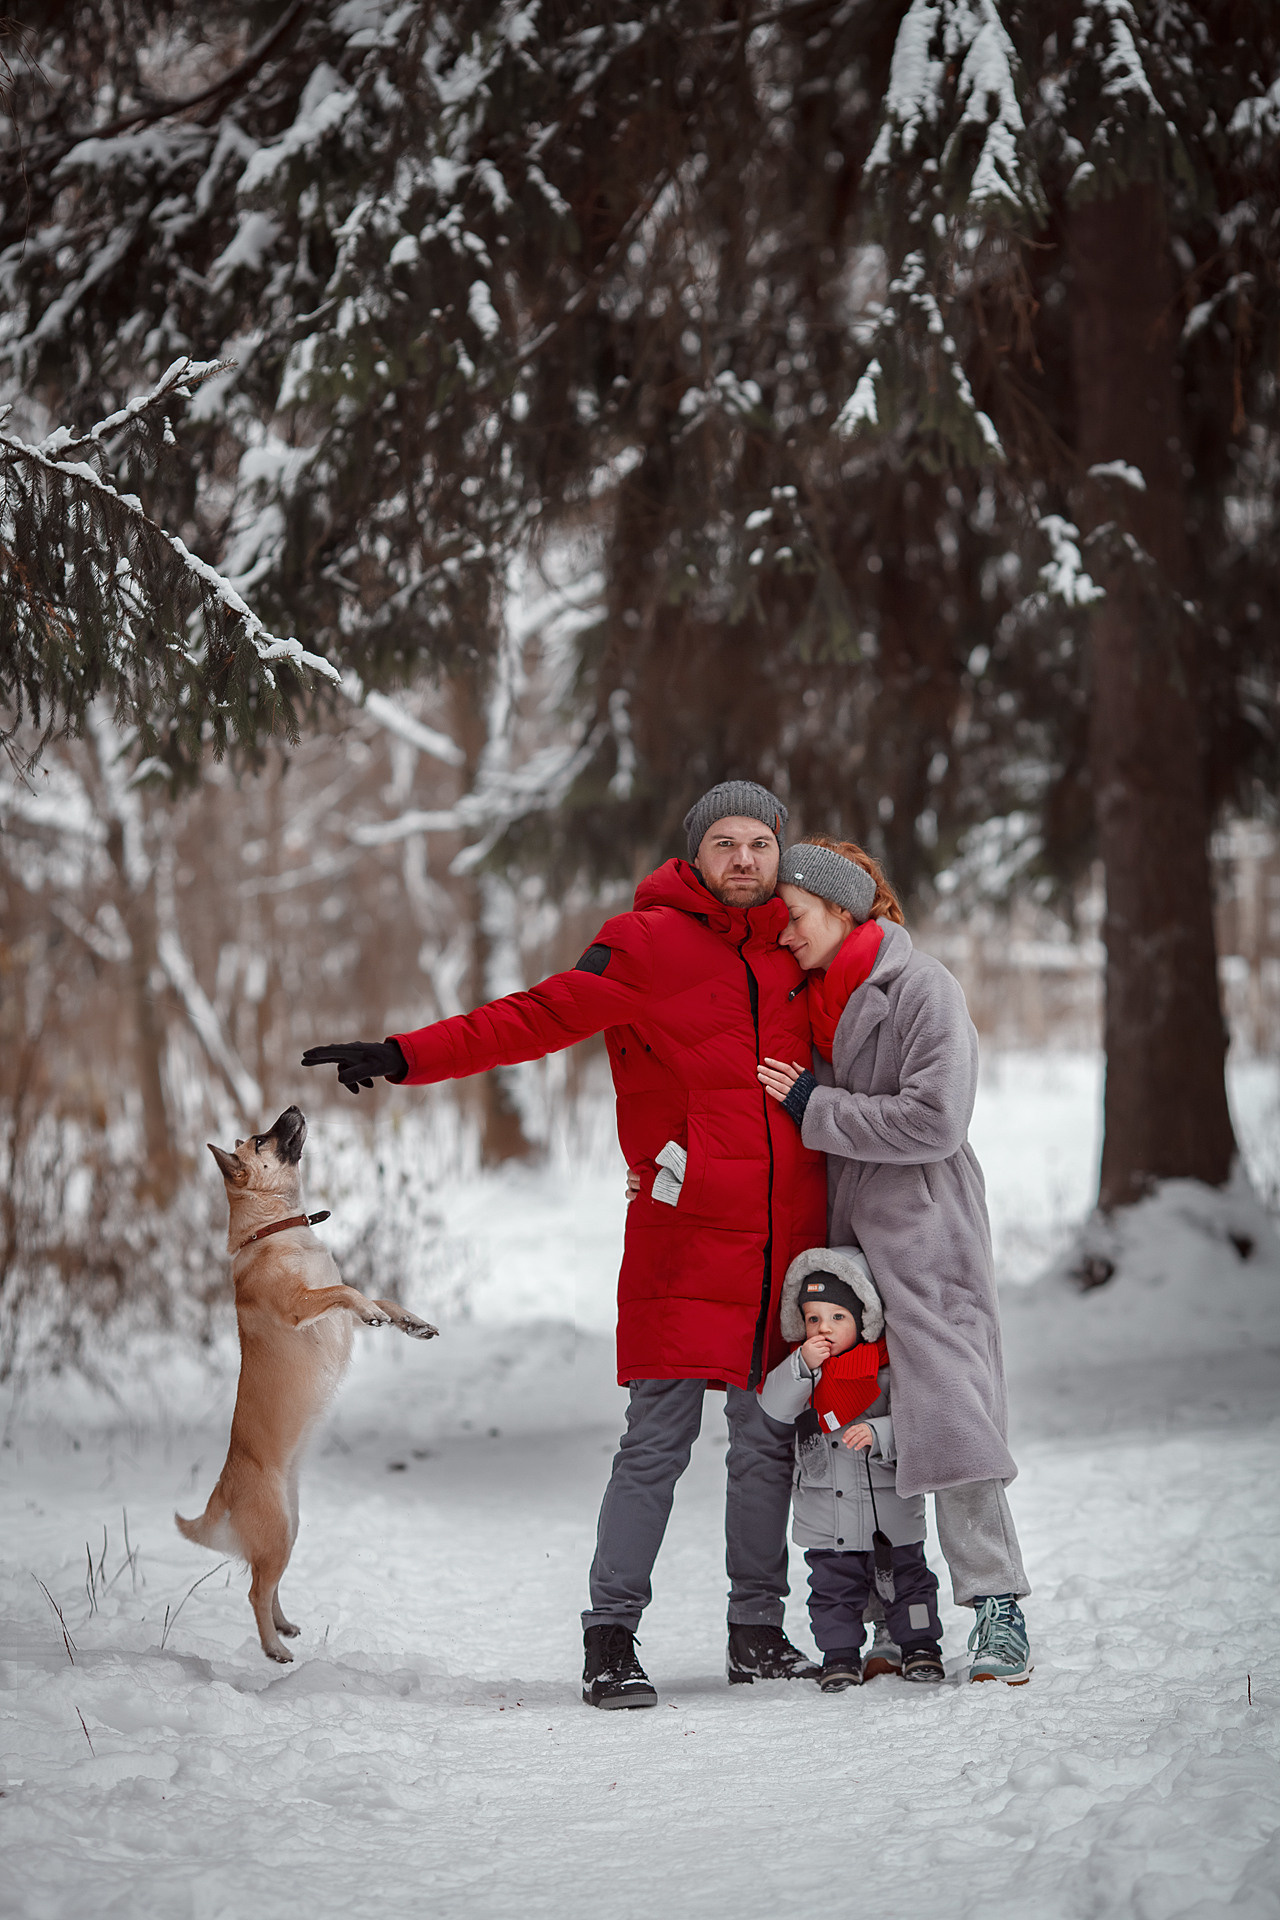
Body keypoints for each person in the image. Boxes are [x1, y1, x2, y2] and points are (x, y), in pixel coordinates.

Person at [302, 781, 829, 1707]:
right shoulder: (646, 942)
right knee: (657, 1441)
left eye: (759, 843)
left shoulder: (802, 945)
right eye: (724, 844)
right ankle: (610, 1638)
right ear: (694, 856)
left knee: (766, 1442)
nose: (744, 860)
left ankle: (758, 1629)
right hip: (687, 1228)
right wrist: (405, 1053)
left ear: (779, 853)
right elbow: (536, 1016)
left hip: (788, 1241)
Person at [756, 836, 1033, 1685]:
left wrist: (815, 1105)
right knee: (857, 1404)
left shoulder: (924, 988)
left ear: (841, 908)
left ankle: (998, 1609)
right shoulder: (811, 996)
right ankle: (888, 1616)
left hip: (928, 1223)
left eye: (794, 917)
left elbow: (935, 1121)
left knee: (952, 1409)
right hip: (850, 1229)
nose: (785, 934)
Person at [760, 1254, 944, 1692]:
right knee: (832, 1592)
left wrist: (880, 1433)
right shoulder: (803, 1374)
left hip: (889, 1513)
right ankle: (839, 1656)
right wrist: (801, 1366)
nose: (823, 1327)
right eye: (812, 1318)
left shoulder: (884, 1372)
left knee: (908, 1583)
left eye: (837, 1316)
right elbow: (774, 1405)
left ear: (863, 1319)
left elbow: (918, 1425)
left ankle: (920, 1646)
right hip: (827, 1513)